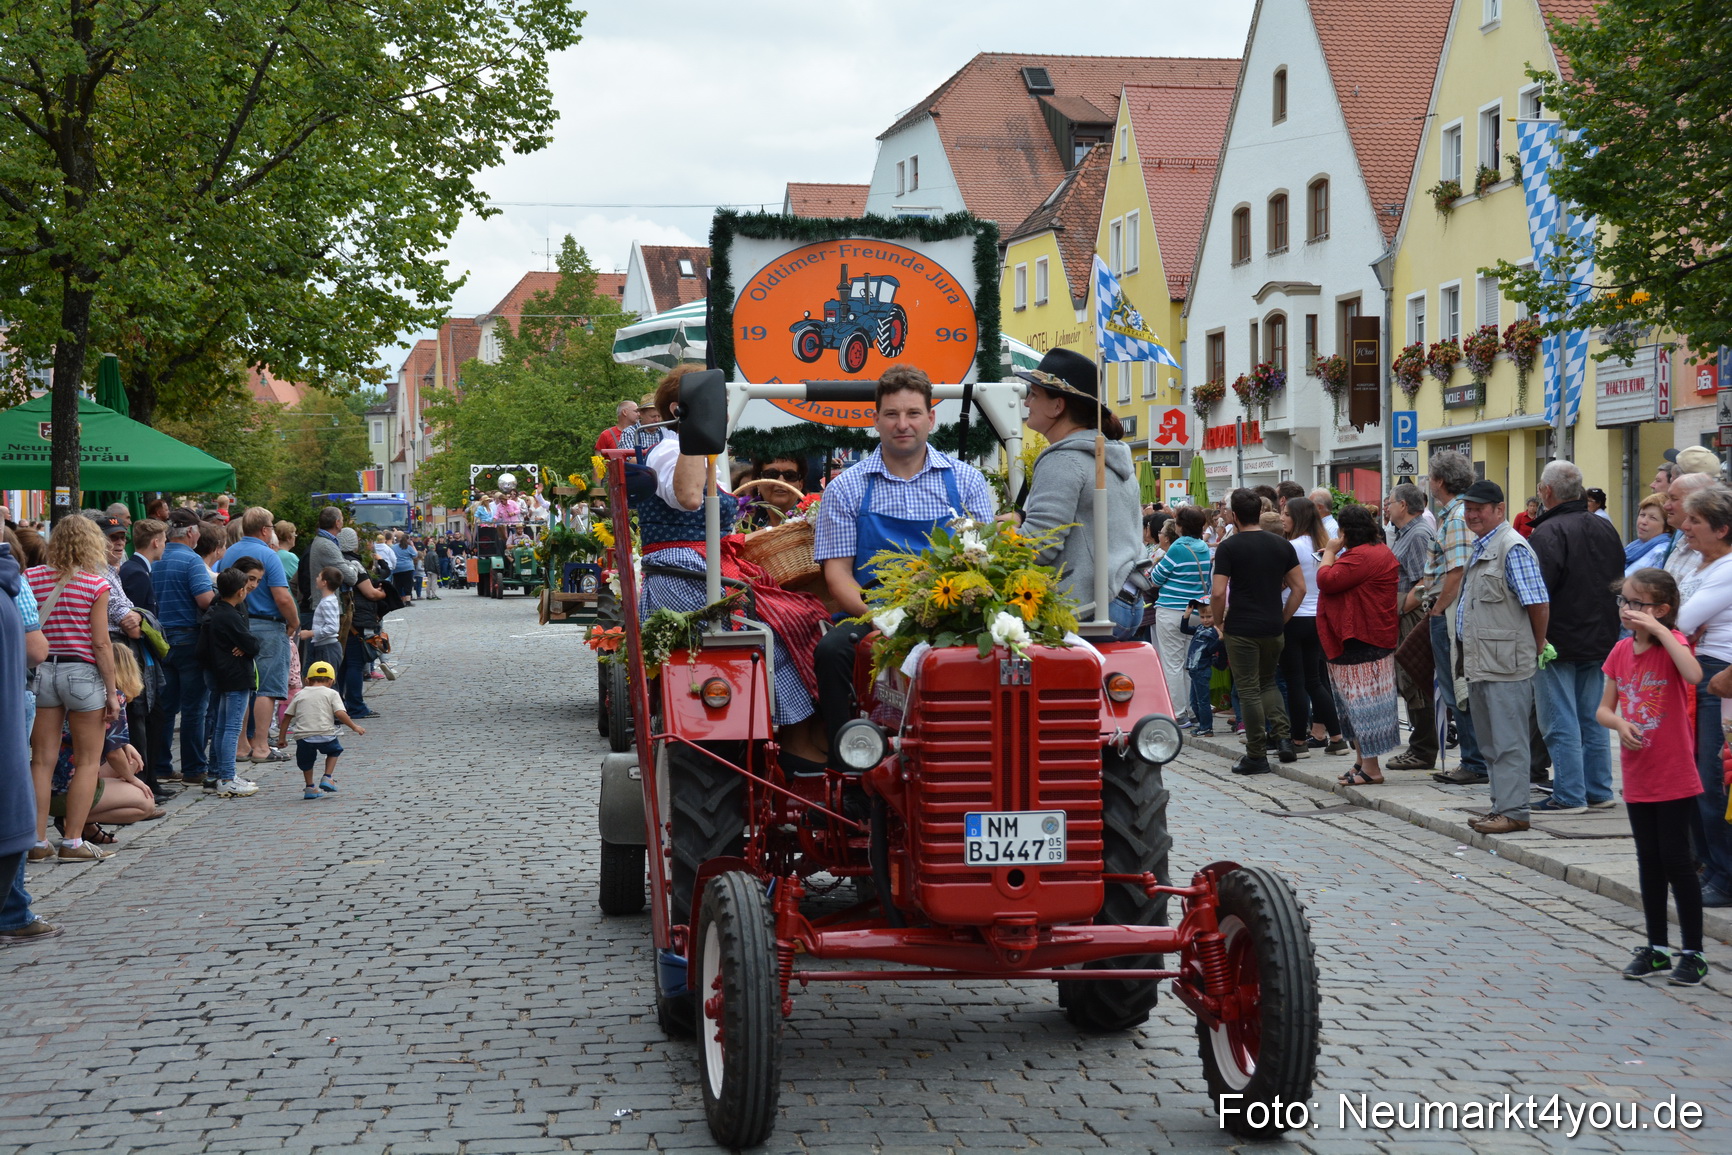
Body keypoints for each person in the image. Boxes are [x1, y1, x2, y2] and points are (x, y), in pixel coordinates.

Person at [815, 364, 996, 761]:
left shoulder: (966, 481)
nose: (903, 424)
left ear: (931, 419)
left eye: (913, 413)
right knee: (831, 652)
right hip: (872, 613)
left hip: (953, 612)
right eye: (892, 414)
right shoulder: (847, 487)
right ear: (874, 419)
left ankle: (979, 754)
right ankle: (849, 762)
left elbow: (984, 563)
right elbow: (838, 576)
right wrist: (882, 618)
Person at [1596, 568, 1708, 985]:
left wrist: (1661, 631)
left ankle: (1693, 952)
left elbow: (1694, 675)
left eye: (1637, 604)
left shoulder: (1673, 644)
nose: (1627, 610)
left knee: (1678, 860)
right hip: (1638, 772)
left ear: (1662, 610)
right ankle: (1657, 946)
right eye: (1623, 601)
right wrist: (1620, 725)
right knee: (1649, 861)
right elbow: (1603, 708)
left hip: (1674, 772)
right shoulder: (1620, 651)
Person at [1012, 349, 1142, 628]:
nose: (1027, 403)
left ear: (1057, 406)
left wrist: (1000, 534)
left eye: (1034, 394)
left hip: (1089, 609)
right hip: (1126, 602)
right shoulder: (1110, 454)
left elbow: (1038, 546)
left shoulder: (1063, 459)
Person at [1527, 459, 1625, 815]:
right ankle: (1598, 789)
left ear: (1547, 492)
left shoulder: (1549, 532)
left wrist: (1536, 637)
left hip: (1557, 640)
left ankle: (1569, 793)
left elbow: (1537, 591)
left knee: (1559, 719)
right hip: (1599, 635)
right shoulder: (1604, 528)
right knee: (1592, 715)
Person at [1456, 481, 1551, 835]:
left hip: (1506, 662)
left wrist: (1535, 645)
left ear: (1499, 509)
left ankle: (1514, 811)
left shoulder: (1512, 547)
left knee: (1509, 742)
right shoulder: (1484, 545)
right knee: (1491, 743)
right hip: (1483, 660)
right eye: (1468, 509)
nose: (1472, 514)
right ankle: (1500, 807)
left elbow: (1538, 604)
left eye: (1479, 508)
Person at [24, 515, 120, 861]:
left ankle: (36, 840)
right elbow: (100, 644)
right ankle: (73, 841)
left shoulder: (29, 578)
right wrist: (111, 691)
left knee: (42, 760)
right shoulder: (96, 585)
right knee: (88, 761)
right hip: (81, 674)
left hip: (42, 672)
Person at [1209, 487, 1305, 775]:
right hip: (1272, 625)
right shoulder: (1280, 545)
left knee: (1249, 688)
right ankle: (1284, 740)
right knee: (1269, 683)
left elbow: (1217, 592)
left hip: (1241, 625)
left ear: (1235, 516)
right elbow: (1299, 587)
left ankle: (1256, 754)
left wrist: (1218, 622)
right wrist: (1284, 616)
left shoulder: (1229, 547)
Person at [1414, 451, 1489, 786]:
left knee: (1456, 686)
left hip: (1450, 614)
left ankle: (1473, 761)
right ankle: (1474, 759)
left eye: (1431, 477)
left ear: (1440, 482)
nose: (1429, 483)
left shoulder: (1457, 517)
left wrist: (1438, 607)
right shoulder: (1456, 514)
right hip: (1450, 611)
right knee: (1455, 686)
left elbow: (1457, 571)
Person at [1674, 486, 1732, 907]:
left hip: (1717, 675)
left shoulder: (1726, 568)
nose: (1686, 527)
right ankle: (1709, 865)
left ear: (1723, 529)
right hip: (1696, 667)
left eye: (1696, 521)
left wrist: (1672, 623)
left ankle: (1724, 873)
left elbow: (1679, 616)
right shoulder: (1699, 562)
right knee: (1696, 776)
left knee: (1712, 779)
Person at [1, 535, 60, 943]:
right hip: (16, 692)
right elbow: (36, 648)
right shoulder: (13, 584)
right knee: (15, 790)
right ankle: (14, 908)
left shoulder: (26, 579)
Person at [1316, 504, 1401, 785]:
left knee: (1362, 705)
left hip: (1363, 639)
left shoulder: (1363, 556)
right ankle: (1361, 763)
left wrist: (1329, 551)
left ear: (1345, 531)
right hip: (1362, 637)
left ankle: (1372, 769)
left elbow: (1326, 579)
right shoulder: (1371, 552)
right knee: (1353, 705)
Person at [221, 508, 297, 765]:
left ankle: (241, 745)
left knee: (244, 686)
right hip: (267, 625)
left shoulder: (230, 552)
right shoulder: (268, 555)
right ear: (265, 530)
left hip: (237, 624)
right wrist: (294, 622)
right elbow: (282, 597)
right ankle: (262, 746)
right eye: (272, 527)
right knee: (267, 688)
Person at [1278, 497, 1347, 756]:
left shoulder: (1291, 547)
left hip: (1293, 615)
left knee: (1296, 681)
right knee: (1314, 681)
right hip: (1317, 617)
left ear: (1298, 518)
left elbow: (1284, 583)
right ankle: (1337, 736)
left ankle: (1298, 741)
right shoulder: (1323, 546)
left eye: (1286, 514)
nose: (1282, 518)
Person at [151, 509, 216, 783]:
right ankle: (193, 768)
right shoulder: (192, 560)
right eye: (198, 530)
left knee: (165, 708)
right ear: (190, 533)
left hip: (159, 640)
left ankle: (161, 766)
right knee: (193, 708)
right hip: (188, 639)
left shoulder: (154, 558)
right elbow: (204, 600)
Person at [198, 567, 261, 797]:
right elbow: (253, 645)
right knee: (231, 728)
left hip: (223, 675)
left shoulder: (216, 612)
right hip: (235, 677)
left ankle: (223, 773)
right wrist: (245, 646)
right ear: (240, 591)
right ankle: (227, 776)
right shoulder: (230, 615)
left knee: (223, 727)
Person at [1146, 506, 1213, 721]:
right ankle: (1193, 710)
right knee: (1188, 662)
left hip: (1171, 609)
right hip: (1194, 610)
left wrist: (1152, 570)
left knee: (1172, 663)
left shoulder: (1177, 548)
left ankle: (1177, 712)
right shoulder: (1203, 546)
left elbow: (1156, 578)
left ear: (1181, 526)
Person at [283, 660, 364, 800]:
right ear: (332, 681)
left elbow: (287, 717)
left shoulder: (300, 694)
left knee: (306, 762)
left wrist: (281, 738)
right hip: (326, 734)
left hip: (304, 737)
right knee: (334, 751)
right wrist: (354, 726)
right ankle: (327, 777)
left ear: (307, 680)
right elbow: (340, 713)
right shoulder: (332, 694)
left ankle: (310, 787)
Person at [336, 528, 388, 719]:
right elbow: (369, 592)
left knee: (344, 664)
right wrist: (382, 594)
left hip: (345, 619)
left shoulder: (337, 561)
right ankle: (356, 706)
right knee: (355, 664)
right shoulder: (353, 563)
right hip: (356, 618)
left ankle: (340, 704)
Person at [1180, 600, 1223, 737]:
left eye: (1209, 617)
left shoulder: (1213, 632)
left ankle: (1206, 727)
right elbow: (1184, 630)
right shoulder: (1200, 628)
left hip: (1202, 670)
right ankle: (1202, 724)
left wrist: (1220, 639)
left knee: (1203, 701)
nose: (1205, 620)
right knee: (1194, 702)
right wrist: (1186, 616)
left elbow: (1210, 650)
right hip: (1194, 670)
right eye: (1203, 617)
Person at [301, 568, 346, 676]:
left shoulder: (327, 602)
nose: (316, 579)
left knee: (326, 682)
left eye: (319, 577)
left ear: (324, 582)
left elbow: (332, 627)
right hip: (324, 647)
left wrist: (310, 633)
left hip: (327, 649)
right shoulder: (329, 600)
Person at [120, 518, 164, 613]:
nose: (165, 546)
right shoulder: (137, 574)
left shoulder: (134, 568)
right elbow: (135, 618)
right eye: (164, 541)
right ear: (156, 543)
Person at [1625, 493, 1673, 575]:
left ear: (1667, 526)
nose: (1643, 522)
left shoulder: (1661, 552)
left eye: (1652, 518)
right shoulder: (1635, 546)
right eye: (1642, 515)